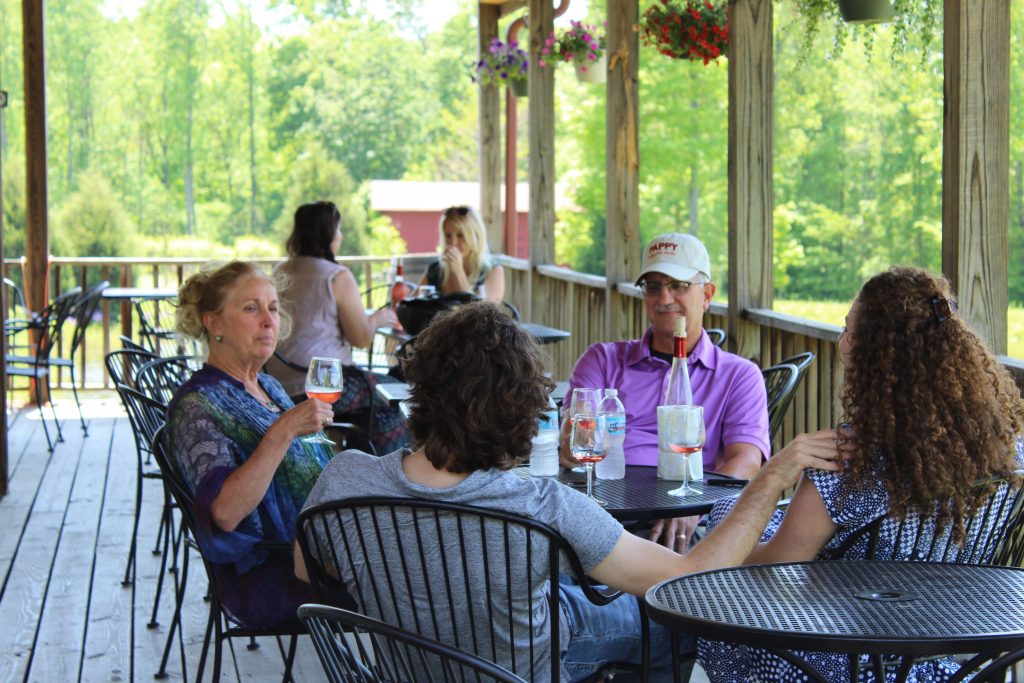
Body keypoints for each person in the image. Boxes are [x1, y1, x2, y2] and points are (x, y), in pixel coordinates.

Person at [297, 302, 845, 682]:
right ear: (522, 408)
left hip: (402, 669)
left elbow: (306, 570)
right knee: (667, 627)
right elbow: (687, 582)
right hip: (523, 672)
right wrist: (772, 478)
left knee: (563, 599)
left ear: (422, 391)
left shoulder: (345, 478)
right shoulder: (541, 506)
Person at [698, 266, 1024, 683]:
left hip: (844, 657)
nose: (842, 341)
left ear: (875, 357)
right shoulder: (1006, 450)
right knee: (729, 507)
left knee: (722, 541)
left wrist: (722, 542)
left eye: (850, 331)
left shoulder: (849, 460)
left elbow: (772, 575)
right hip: (953, 659)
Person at [563, 232, 769, 551]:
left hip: (677, 522)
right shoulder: (602, 361)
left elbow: (745, 462)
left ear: (708, 294)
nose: (664, 298)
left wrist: (695, 508)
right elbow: (572, 443)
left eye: (679, 285)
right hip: (598, 510)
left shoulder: (738, 375)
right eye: (654, 287)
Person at [168, 261, 337, 628]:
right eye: (251, 308)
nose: (268, 320)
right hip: (275, 575)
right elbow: (225, 513)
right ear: (214, 324)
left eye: (273, 308)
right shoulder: (197, 406)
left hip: (323, 550)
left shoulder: (267, 387)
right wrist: (284, 429)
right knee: (416, 579)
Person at [264, 200, 409, 454]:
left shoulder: (280, 270)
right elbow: (361, 338)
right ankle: (375, 477)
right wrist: (378, 318)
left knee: (380, 394)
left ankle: (345, 462)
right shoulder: (336, 276)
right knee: (391, 399)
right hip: (324, 384)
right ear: (328, 234)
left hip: (279, 381)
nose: (340, 236)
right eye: (338, 230)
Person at [421, 205, 505, 302]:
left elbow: (481, 314)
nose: (453, 242)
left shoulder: (493, 271)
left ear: (476, 236)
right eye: (448, 236)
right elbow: (411, 307)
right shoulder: (436, 270)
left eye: (461, 235)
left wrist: (458, 271)